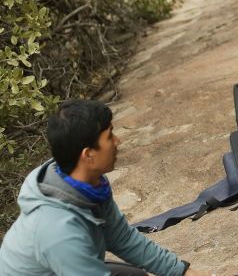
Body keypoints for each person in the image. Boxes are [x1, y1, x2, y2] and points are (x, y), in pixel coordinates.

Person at [0, 100, 211, 276]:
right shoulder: (58, 230)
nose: (117, 141)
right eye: (110, 136)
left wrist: (181, 271)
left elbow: (122, 238)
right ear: (88, 155)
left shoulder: (91, 184)